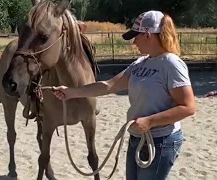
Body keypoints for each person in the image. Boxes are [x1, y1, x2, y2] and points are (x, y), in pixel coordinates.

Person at [52, 10, 195, 180]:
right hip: (137, 137)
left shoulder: (171, 64)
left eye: (136, 36)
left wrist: (150, 121)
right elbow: (108, 85)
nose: (134, 42)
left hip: (161, 140)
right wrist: (70, 92)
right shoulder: (140, 63)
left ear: (148, 35)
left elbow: (188, 107)